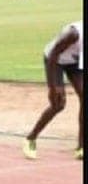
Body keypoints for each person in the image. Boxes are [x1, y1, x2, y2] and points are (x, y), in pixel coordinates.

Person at [23, 21, 83, 160]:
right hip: (55, 60)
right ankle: (31, 138)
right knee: (58, 104)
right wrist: (52, 87)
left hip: (74, 62)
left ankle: (81, 147)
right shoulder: (73, 34)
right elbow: (53, 54)